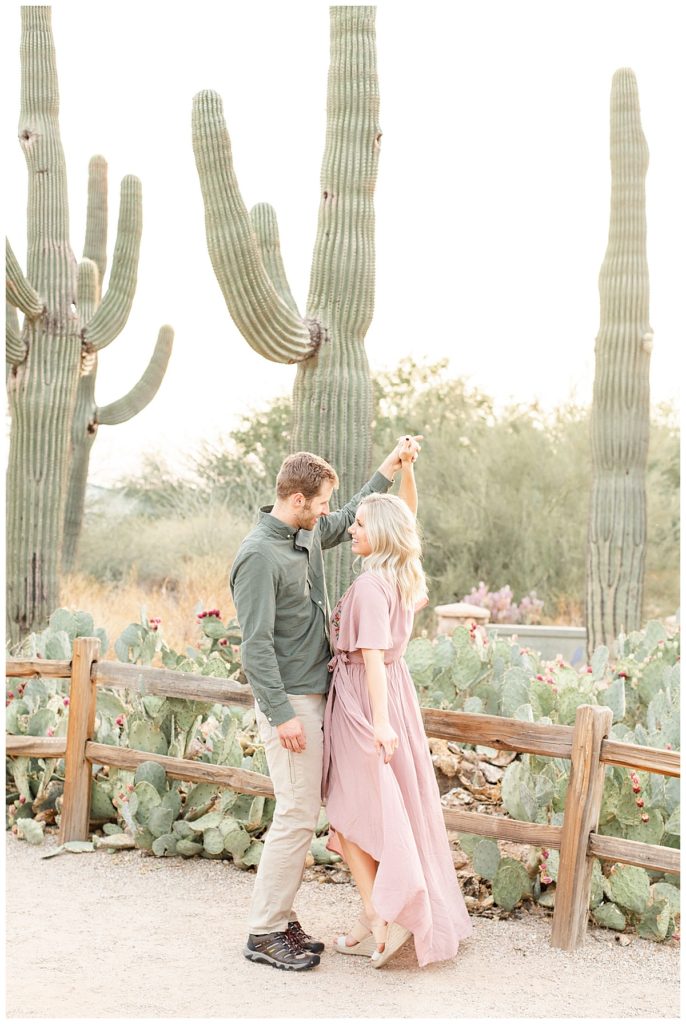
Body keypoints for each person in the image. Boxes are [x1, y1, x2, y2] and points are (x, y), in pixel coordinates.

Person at [230, 437, 422, 972]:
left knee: (301, 811)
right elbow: (256, 644)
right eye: (318, 504)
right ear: (295, 500)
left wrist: (389, 467)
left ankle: (282, 917)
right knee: (295, 814)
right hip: (290, 702)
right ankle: (265, 931)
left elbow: (347, 520)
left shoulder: (302, 536)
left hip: (317, 696)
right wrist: (281, 713)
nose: (326, 514)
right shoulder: (258, 555)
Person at [322, 448, 473, 968]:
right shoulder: (403, 579)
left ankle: (381, 913)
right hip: (390, 693)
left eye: (360, 524)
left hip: (365, 701)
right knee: (378, 808)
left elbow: (369, 657)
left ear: (382, 533)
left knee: (349, 810)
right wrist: (407, 471)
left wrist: (379, 724)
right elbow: (405, 515)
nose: (352, 530)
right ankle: (372, 918)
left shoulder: (368, 584)